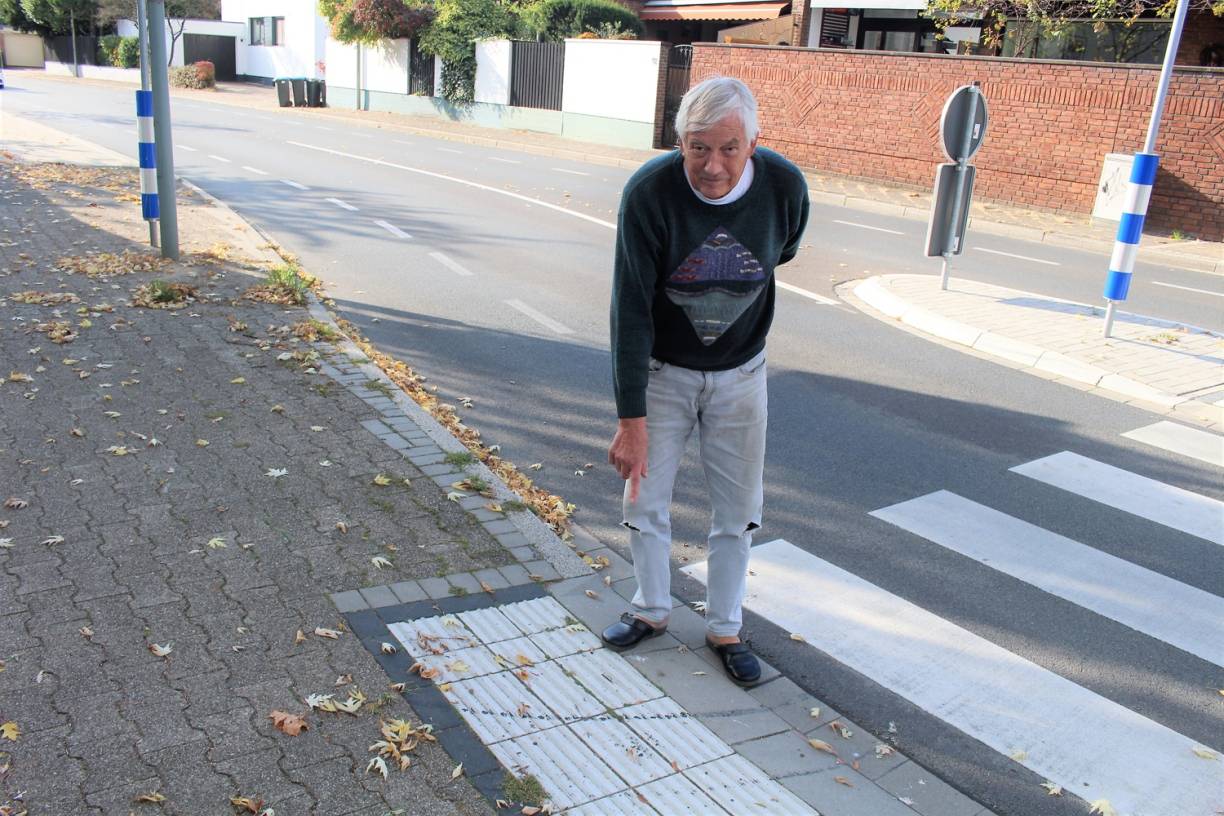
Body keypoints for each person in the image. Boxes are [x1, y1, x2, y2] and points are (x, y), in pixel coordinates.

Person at [602, 76, 810, 685]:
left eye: (728, 148)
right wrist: (630, 421)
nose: (712, 166)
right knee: (644, 497)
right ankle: (651, 609)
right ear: (678, 143)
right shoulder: (649, 194)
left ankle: (724, 626)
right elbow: (630, 308)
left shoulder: (784, 187)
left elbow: (784, 249)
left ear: (753, 144)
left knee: (739, 508)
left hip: (743, 374)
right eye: (697, 148)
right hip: (664, 373)